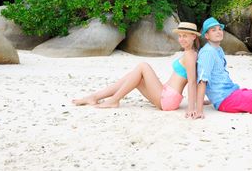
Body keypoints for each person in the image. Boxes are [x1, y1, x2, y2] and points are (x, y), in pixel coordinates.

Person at [73, 22, 201, 118]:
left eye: (185, 36)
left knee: (143, 66)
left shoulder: (190, 55)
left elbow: (192, 82)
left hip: (168, 99)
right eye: (180, 36)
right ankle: (94, 97)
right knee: (134, 77)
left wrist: (191, 108)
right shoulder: (189, 53)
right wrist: (200, 100)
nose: (181, 39)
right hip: (166, 95)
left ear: (193, 37)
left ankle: (114, 100)